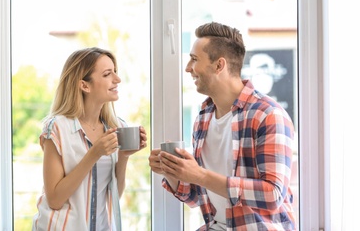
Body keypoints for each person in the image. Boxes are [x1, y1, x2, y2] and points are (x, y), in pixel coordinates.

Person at [149, 22, 296, 230]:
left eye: (194, 59)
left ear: (219, 65)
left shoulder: (268, 115)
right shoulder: (204, 117)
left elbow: (273, 195)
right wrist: (173, 172)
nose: (188, 68)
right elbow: (196, 197)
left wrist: (199, 174)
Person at [33, 47, 147, 231]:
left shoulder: (116, 127)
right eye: (108, 74)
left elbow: (113, 196)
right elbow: (54, 199)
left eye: (115, 73)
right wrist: (94, 153)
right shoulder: (57, 128)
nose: (117, 80)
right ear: (85, 85)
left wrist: (124, 156)